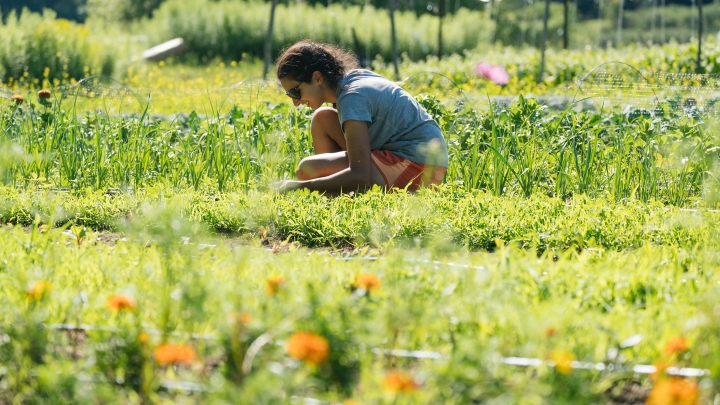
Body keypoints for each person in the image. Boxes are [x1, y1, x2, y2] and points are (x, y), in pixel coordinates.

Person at [272, 40, 448, 194]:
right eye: (290, 95)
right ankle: (337, 194)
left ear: (317, 77)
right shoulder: (350, 81)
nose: (295, 102)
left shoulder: (352, 96)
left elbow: (361, 175)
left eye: (296, 91)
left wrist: (296, 187)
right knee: (323, 119)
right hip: (403, 156)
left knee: (307, 170)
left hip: (420, 166)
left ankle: (338, 194)